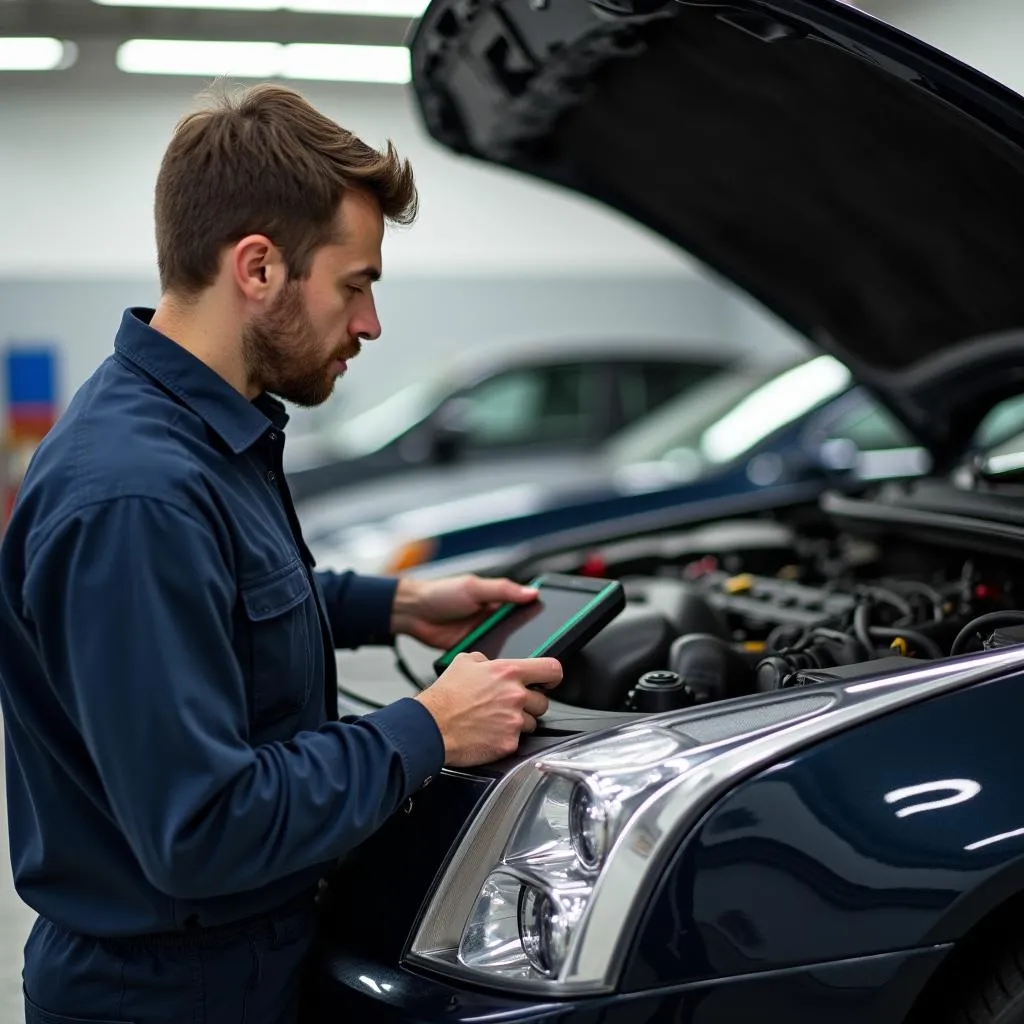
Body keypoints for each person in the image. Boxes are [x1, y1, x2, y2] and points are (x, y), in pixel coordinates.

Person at [0, 82, 563, 1023]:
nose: (371, 324)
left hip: (237, 959)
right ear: (257, 268)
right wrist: (429, 728)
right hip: (174, 994)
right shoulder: (134, 493)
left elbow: (224, 598)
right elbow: (204, 827)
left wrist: (388, 605)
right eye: (356, 283)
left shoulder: (195, 434)